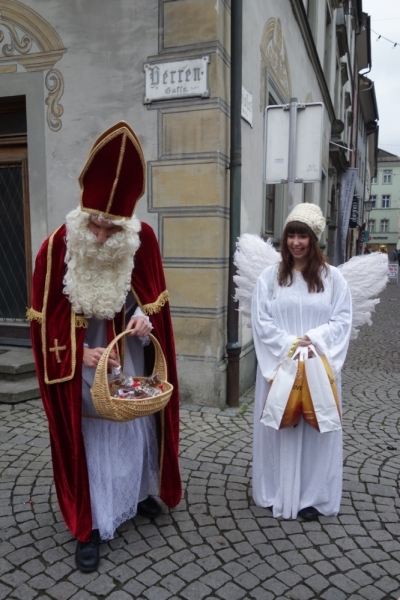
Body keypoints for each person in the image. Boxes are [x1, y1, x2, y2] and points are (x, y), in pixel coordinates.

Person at [28, 122, 181, 572]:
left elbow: (152, 299)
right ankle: (88, 523)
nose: (99, 236)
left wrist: (142, 316)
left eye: (110, 228)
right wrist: (79, 355)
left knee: (131, 428)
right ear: (83, 210)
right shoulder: (56, 248)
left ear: (126, 224)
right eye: (95, 222)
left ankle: (134, 497)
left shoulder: (142, 240)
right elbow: (42, 323)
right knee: (90, 438)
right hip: (81, 362)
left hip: (127, 354)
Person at [251, 203, 352, 521]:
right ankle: (277, 489)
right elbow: (260, 320)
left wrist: (314, 340)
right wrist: (289, 345)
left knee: (315, 428)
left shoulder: (333, 278)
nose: (296, 242)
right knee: (283, 426)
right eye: (291, 235)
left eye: (302, 236)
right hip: (281, 365)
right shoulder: (269, 278)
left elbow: (342, 320)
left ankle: (311, 495)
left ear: (314, 239)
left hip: (317, 366)